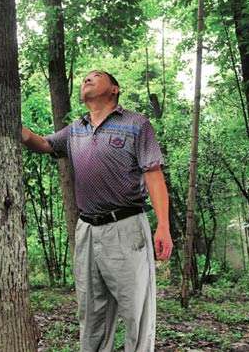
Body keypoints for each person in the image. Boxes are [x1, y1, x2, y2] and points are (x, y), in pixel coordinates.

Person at [21, 70, 172, 352]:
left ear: (114, 89)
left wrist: (163, 225)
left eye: (96, 76)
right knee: (91, 312)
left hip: (126, 227)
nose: (86, 79)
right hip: (87, 229)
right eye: (84, 78)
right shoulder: (76, 129)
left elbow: (153, 174)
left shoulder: (136, 124)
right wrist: (19, 129)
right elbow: (44, 144)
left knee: (136, 312)